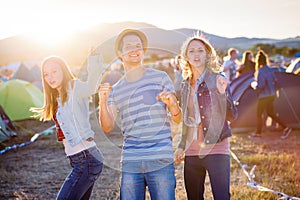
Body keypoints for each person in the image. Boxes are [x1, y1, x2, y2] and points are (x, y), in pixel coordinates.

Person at [98, 28, 181, 200]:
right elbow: (107, 127)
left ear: (143, 51)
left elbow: (178, 118)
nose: (134, 49)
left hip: (160, 159)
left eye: (138, 46)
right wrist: (102, 101)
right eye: (129, 46)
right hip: (131, 162)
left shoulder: (161, 78)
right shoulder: (117, 89)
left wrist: (173, 106)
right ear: (120, 52)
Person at [31, 52, 104, 200]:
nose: (50, 77)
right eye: (46, 74)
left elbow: (92, 86)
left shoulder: (74, 87)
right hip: (79, 161)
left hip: (87, 159)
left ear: (63, 71)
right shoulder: (56, 97)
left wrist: (94, 60)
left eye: (54, 71)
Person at [174, 33, 238, 200]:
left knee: (221, 197)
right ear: (186, 56)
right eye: (192, 51)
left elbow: (232, 116)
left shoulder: (218, 79)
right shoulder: (185, 84)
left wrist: (222, 95)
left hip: (216, 148)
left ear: (208, 54)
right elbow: (187, 120)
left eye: (200, 51)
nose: (196, 55)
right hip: (192, 151)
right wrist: (181, 145)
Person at [250, 50, 292, 139]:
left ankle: (258, 133)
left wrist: (254, 85)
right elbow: (275, 81)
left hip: (264, 96)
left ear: (258, 60)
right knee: (270, 113)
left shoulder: (261, 71)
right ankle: (286, 127)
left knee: (259, 114)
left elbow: (261, 86)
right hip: (272, 95)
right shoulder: (270, 69)